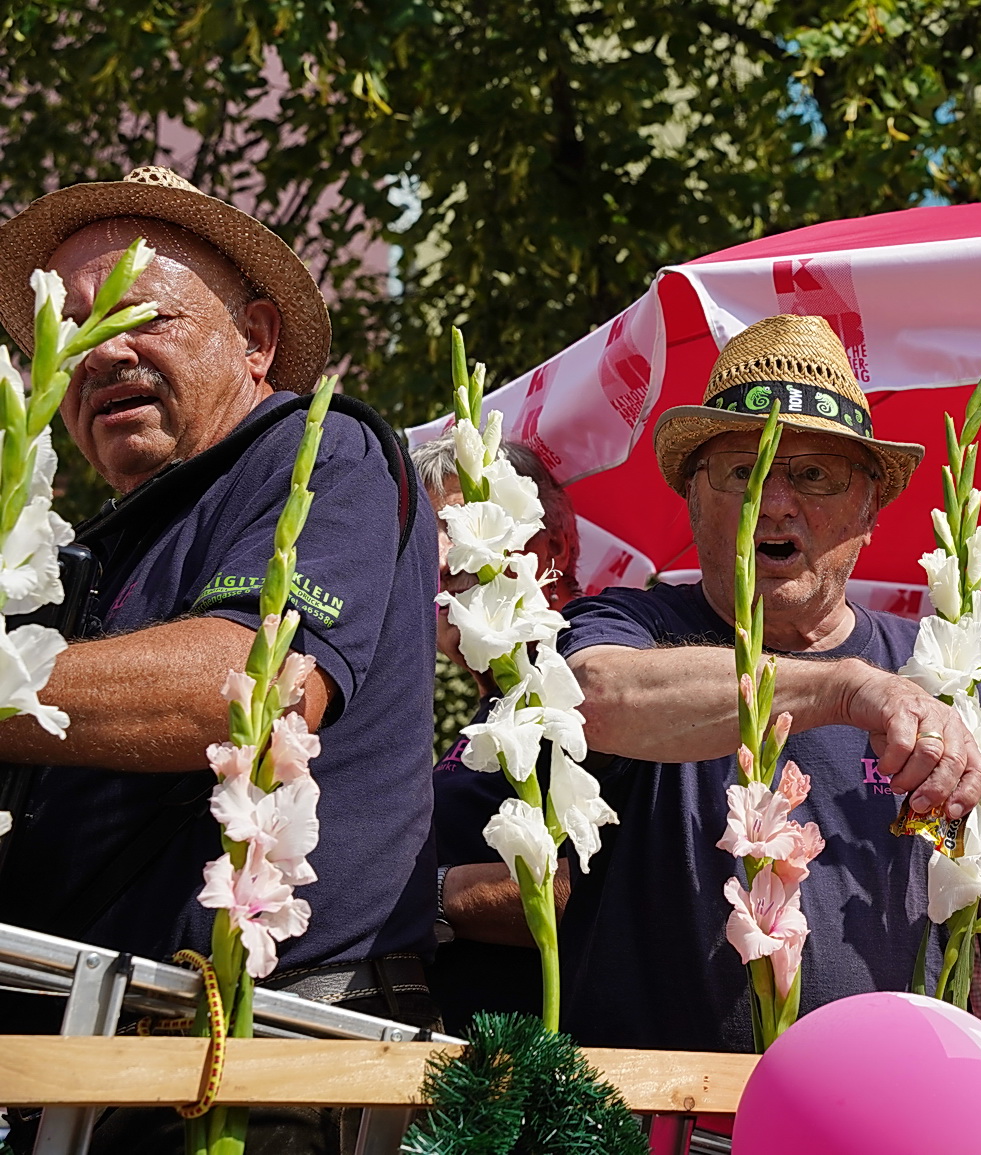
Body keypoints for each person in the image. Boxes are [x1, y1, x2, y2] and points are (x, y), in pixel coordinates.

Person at [0, 168, 438, 1151]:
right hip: (93, 1057)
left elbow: (252, 690)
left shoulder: (322, 453)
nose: (102, 349)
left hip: (270, 1060)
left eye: (141, 310)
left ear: (257, 338)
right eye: (68, 331)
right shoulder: (88, 550)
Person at [558, 314, 981, 1064]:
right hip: (650, 1123)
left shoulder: (948, 670)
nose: (775, 504)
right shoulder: (631, 622)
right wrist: (846, 690)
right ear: (692, 496)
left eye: (814, 475)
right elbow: (594, 695)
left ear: (870, 509)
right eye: (743, 470)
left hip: (892, 1129)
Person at [411, 434, 581, 1032]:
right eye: (416, 538)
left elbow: (575, 890)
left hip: (534, 1079)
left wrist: (414, 898)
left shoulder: (573, 676)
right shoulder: (497, 702)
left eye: (461, 524)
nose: (438, 558)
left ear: (550, 544)